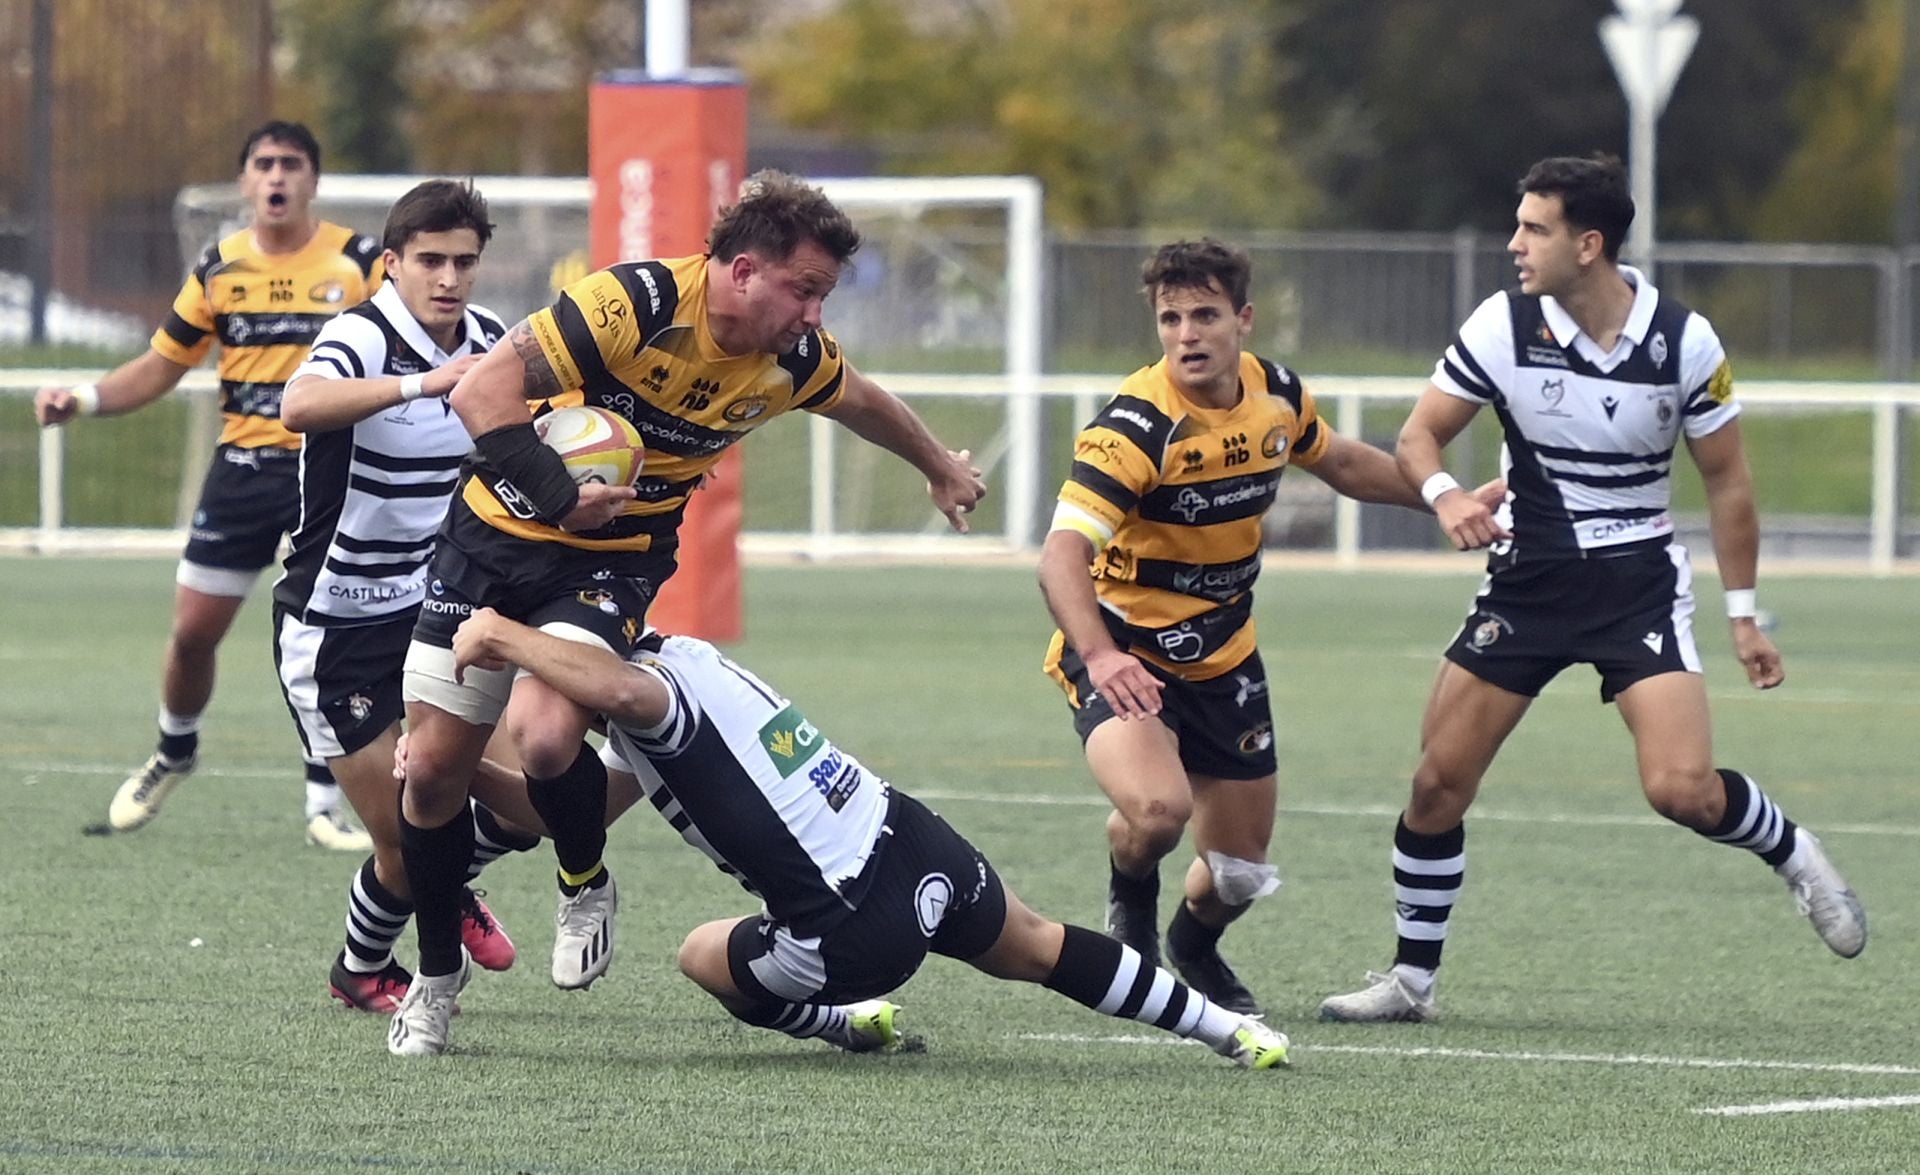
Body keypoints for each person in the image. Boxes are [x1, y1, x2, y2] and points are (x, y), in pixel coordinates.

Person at [395, 170, 988, 1010]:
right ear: (742, 271)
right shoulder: (632, 304)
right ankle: (436, 976)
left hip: (614, 558)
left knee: (544, 734)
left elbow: (863, 401)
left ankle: (582, 877)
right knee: (426, 773)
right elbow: (480, 390)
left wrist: (938, 466)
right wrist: (563, 497)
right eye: (805, 290)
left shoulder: (794, 355)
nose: (816, 315)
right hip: (491, 538)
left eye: (823, 295)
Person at [1318, 155, 1867, 1024]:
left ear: (1590, 243)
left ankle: (1794, 852)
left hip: (1636, 588)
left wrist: (1744, 616)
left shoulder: (1686, 342)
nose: (1515, 244)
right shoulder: (1504, 324)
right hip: (1528, 583)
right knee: (1435, 786)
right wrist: (1447, 495)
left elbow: (1728, 485)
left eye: (1534, 228)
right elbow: (1419, 436)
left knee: (1681, 789)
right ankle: (1410, 983)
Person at [376, 605, 1293, 1071]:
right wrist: (448, 775)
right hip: (909, 836)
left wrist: (502, 634)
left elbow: (609, 695)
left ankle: (844, 1022)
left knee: (700, 952)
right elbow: (555, 810)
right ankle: (1231, 1030)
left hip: (844, 925)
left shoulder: (649, 694)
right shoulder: (684, 665)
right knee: (1043, 944)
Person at [1035, 238, 1502, 1018]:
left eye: (1205, 314)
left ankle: (1194, 944)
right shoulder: (1135, 426)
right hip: (1127, 651)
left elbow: (1349, 465)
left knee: (1239, 873)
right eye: (1171, 317)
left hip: (1224, 656)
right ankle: (1131, 902)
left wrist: (1447, 497)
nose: (1187, 333)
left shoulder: (1276, 395)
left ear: (1243, 320)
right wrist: (1101, 654)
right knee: (1156, 813)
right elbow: (1059, 557)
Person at [37, 120, 384, 850]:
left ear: (313, 180)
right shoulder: (219, 267)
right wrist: (86, 398)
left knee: (322, 637)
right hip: (243, 473)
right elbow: (161, 365)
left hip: (330, 472)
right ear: (246, 182)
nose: (278, 176)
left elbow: (405, 343)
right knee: (193, 635)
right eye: (264, 164)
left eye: (291, 164)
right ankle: (174, 750)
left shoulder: (358, 262)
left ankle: (326, 799)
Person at [274, 179, 539, 1013]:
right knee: (401, 840)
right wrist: (422, 385)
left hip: (439, 614)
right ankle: (393, 938)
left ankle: (419, 905)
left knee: (525, 808)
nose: (448, 277)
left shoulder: (493, 340)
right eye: (429, 260)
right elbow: (298, 404)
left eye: (464, 261)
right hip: (336, 624)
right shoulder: (359, 335)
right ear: (392, 264)